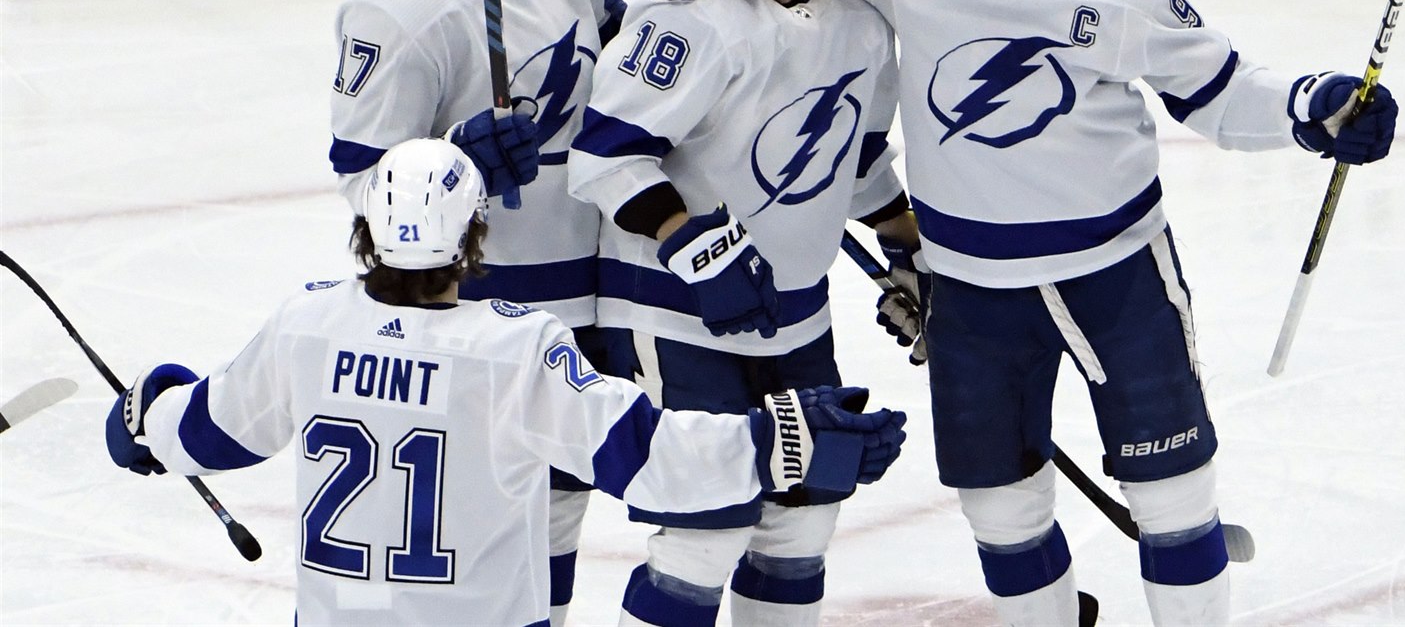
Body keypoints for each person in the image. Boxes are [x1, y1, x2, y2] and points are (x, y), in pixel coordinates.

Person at [639, 0, 1400, 625]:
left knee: (1174, 495)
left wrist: (1313, 105)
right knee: (1002, 512)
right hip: (972, 291)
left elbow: (1218, 88)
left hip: (1117, 277)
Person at [104, 138, 907, 627]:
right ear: (473, 238)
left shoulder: (306, 326)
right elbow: (649, 456)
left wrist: (145, 414)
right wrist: (785, 439)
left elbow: (202, 431)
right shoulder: (515, 348)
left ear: (365, 231)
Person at [567, 0, 927, 627]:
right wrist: (690, 244)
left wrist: (908, 249)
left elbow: (855, 160)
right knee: (706, 526)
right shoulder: (692, 22)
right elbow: (601, 157)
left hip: (796, 320)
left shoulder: (863, 31)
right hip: (671, 312)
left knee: (802, 518)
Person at [328, 0, 625, 624]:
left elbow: (629, 66)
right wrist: (456, 160)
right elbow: (362, 181)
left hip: (592, 283)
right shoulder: (392, 11)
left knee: (561, 503)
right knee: (481, 513)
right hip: (478, 302)